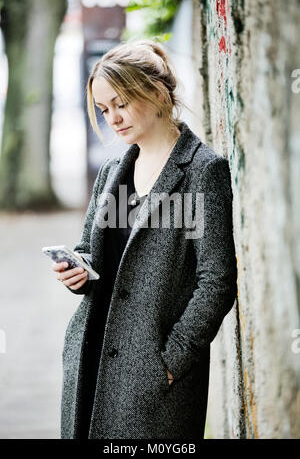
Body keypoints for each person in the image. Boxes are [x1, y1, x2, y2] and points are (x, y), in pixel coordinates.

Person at [52, 39, 237, 439]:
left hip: (152, 376)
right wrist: (77, 271)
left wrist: (171, 360)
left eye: (121, 103)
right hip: (91, 356)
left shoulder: (202, 171)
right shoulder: (112, 171)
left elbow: (217, 281)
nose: (112, 119)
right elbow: (91, 249)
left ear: (155, 92)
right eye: (104, 110)